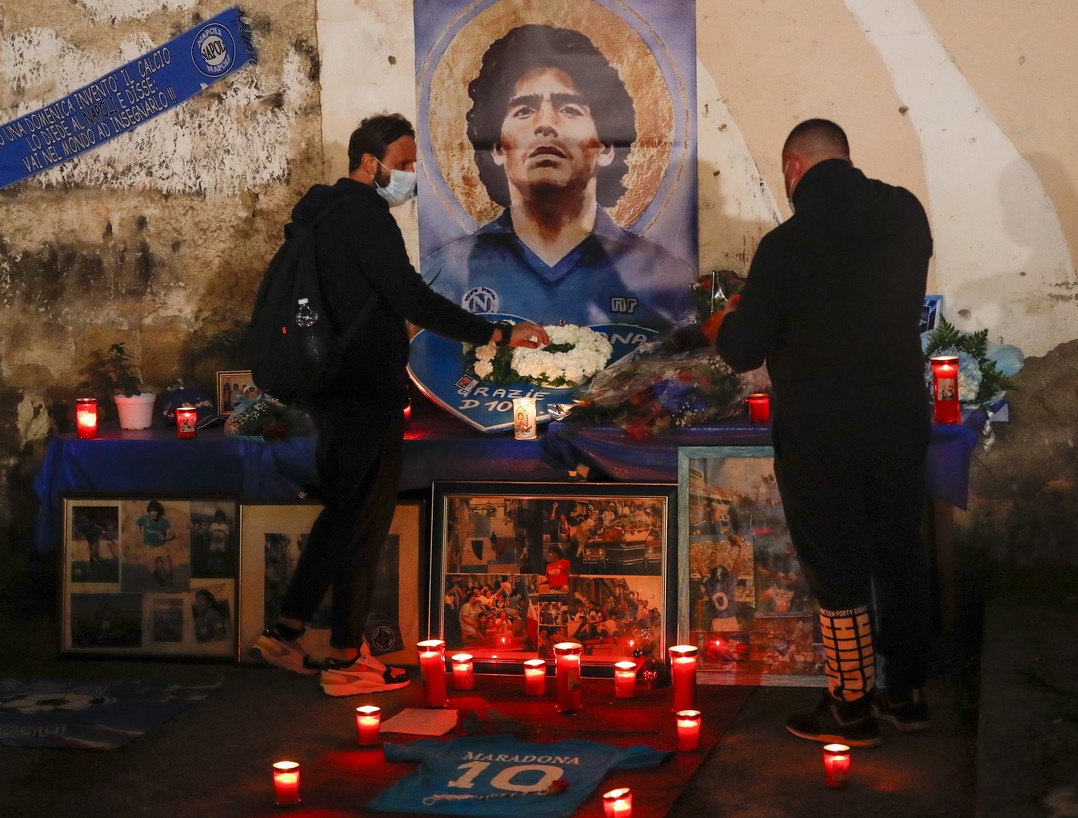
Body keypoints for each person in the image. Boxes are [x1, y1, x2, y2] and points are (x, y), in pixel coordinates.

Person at [249, 113, 549, 696]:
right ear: (371, 163)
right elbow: (410, 295)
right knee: (363, 522)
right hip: (364, 392)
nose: (410, 176)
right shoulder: (366, 217)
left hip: (331, 389)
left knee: (340, 512)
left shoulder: (325, 214)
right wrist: (496, 334)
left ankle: (285, 633)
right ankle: (345, 660)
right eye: (405, 164)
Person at [710, 118, 934, 748]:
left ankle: (850, 707)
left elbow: (745, 348)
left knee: (836, 563)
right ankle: (908, 694)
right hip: (897, 416)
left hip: (822, 428)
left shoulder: (788, 244)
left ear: (793, 169)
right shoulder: (906, 213)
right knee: (899, 549)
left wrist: (723, 321)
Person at [421, 24, 694, 330]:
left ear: (605, 147)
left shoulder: (663, 275)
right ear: (497, 147)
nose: (546, 125)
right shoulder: (444, 274)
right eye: (524, 110)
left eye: (570, 108)